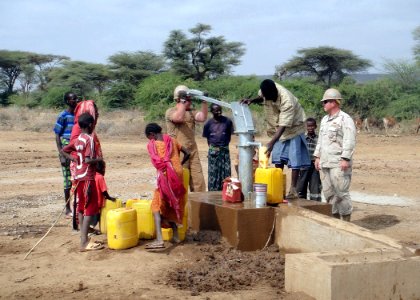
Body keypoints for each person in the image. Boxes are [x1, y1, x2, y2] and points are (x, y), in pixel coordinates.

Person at [242, 79, 310, 199]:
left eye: (270, 97)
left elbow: (284, 124)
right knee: (278, 158)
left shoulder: (286, 100)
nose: (268, 99)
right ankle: (279, 187)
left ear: (274, 92)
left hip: (293, 128)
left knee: (294, 159)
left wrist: (272, 142)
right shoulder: (265, 92)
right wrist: (251, 100)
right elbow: (260, 97)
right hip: (277, 128)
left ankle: (293, 189)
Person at [61, 112, 105, 251]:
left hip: (79, 177)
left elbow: (63, 150)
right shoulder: (89, 139)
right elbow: (87, 160)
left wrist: (73, 158)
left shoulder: (78, 138)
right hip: (87, 177)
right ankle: (84, 242)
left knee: (81, 207)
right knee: (89, 208)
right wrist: (99, 159)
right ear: (91, 125)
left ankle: (83, 237)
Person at [144, 123, 190, 250]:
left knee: (156, 206)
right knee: (170, 204)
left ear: (151, 135)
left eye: (149, 137)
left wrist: (168, 167)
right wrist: (178, 165)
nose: (150, 140)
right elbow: (188, 153)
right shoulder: (172, 140)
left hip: (166, 177)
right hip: (178, 174)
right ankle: (175, 236)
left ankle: (159, 240)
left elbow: (158, 163)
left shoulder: (153, 145)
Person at [314, 88, 356, 221]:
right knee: (329, 194)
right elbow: (320, 140)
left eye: (325, 102)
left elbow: (349, 140)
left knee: (341, 193)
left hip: (338, 163)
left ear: (334, 102)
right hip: (325, 162)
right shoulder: (324, 120)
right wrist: (317, 157)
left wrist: (345, 158)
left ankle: (347, 223)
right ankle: (335, 222)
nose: (323, 104)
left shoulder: (345, 119)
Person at [165, 85, 207, 192]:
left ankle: (198, 206)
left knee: (198, 181)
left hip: (192, 151)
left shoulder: (191, 112)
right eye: (188, 99)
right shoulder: (171, 111)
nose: (190, 101)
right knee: (180, 181)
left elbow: (202, 117)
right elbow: (178, 118)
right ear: (179, 99)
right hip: (178, 152)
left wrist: (204, 102)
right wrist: (183, 102)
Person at [69, 99, 103, 231]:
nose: (98, 114)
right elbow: (73, 148)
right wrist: (88, 161)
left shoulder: (87, 129)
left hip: (84, 168)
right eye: (96, 111)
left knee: (84, 198)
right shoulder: (80, 129)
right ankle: (82, 228)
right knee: (84, 199)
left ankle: (85, 227)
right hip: (83, 170)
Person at [53, 92, 78, 218]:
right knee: (67, 180)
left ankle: (77, 207)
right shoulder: (63, 115)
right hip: (65, 150)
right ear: (67, 101)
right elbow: (57, 135)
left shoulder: (78, 115)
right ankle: (68, 209)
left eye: (76, 98)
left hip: (76, 150)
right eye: (73, 99)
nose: (75, 100)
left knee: (77, 179)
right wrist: (61, 153)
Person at [202, 104, 234, 191]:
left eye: (220, 110)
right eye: (216, 111)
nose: (219, 112)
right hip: (213, 151)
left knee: (226, 172)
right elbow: (208, 140)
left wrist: (223, 146)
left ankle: (227, 192)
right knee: (213, 173)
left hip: (225, 150)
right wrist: (215, 148)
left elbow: (229, 136)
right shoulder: (208, 124)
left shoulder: (227, 121)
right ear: (211, 112)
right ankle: (213, 192)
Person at [296, 118, 322, 201]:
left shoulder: (319, 138)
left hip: (314, 166)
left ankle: (315, 206)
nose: (310, 128)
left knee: (315, 186)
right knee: (301, 186)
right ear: (306, 127)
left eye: (312, 126)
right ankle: (300, 204)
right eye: (308, 126)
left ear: (315, 126)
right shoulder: (302, 138)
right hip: (303, 165)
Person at [93, 160, 117, 234]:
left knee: (92, 215)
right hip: (98, 201)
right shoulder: (100, 177)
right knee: (96, 217)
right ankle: (90, 229)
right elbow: (104, 190)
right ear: (102, 168)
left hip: (92, 200)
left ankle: (90, 229)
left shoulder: (93, 175)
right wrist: (109, 198)